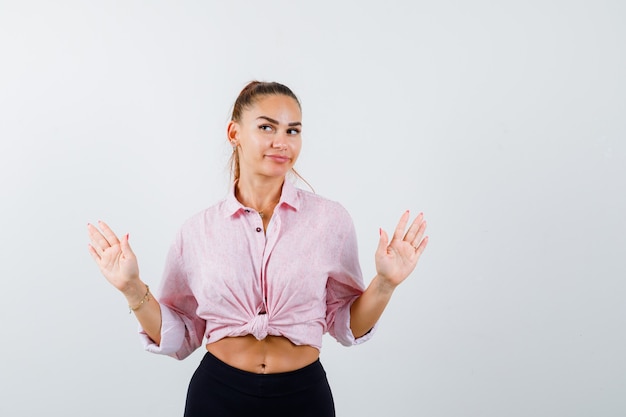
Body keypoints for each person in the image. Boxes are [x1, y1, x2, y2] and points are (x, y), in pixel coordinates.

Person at [87, 81, 428, 417]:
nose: (282, 142)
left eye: (293, 131)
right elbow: (183, 335)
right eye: (267, 127)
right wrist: (132, 289)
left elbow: (345, 324)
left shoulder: (330, 220)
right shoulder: (197, 231)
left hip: (303, 398)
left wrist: (385, 284)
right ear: (234, 133)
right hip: (217, 396)